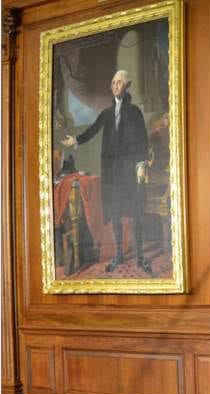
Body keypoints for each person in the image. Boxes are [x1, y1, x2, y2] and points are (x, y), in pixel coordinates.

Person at [61, 69, 151, 274]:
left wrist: (141, 164)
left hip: (130, 171)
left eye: (119, 82)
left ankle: (140, 256)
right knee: (116, 213)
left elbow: (142, 140)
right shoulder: (107, 113)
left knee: (136, 213)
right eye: (113, 83)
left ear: (126, 86)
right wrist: (75, 140)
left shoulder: (135, 112)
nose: (115, 86)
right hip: (112, 174)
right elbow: (92, 130)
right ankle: (119, 253)